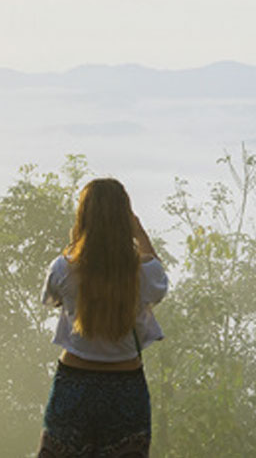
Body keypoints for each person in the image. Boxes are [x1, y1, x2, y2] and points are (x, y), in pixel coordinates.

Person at [38, 178, 169, 458]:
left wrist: (79, 240)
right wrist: (140, 234)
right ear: (127, 219)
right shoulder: (145, 273)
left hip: (73, 383)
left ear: (83, 217)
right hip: (125, 386)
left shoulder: (63, 268)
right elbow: (159, 280)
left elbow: (51, 299)